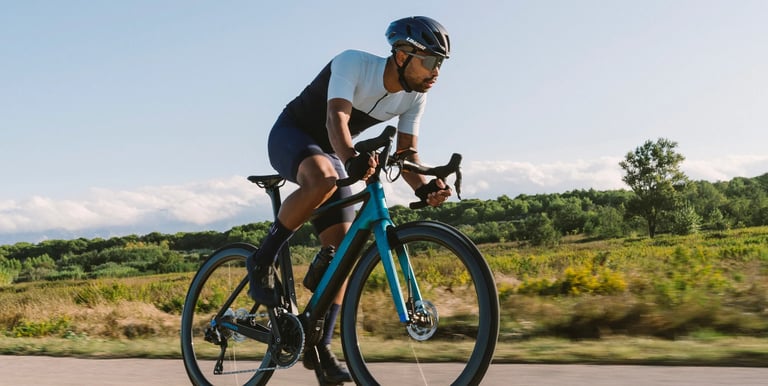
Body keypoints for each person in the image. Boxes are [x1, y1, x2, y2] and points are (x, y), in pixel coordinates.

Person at [247, 16, 453, 384]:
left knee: (343, 252)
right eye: (431, 61)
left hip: (335, 153)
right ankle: (261, 260)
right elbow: (335, 119)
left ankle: (320, 347)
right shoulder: (354, 63)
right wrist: (353, 157)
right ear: (403, 54)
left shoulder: (416, 96)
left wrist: (425, 185)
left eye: (441, 64)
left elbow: (407, 155)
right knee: (325, 176)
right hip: (293, 136)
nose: (437, 72)